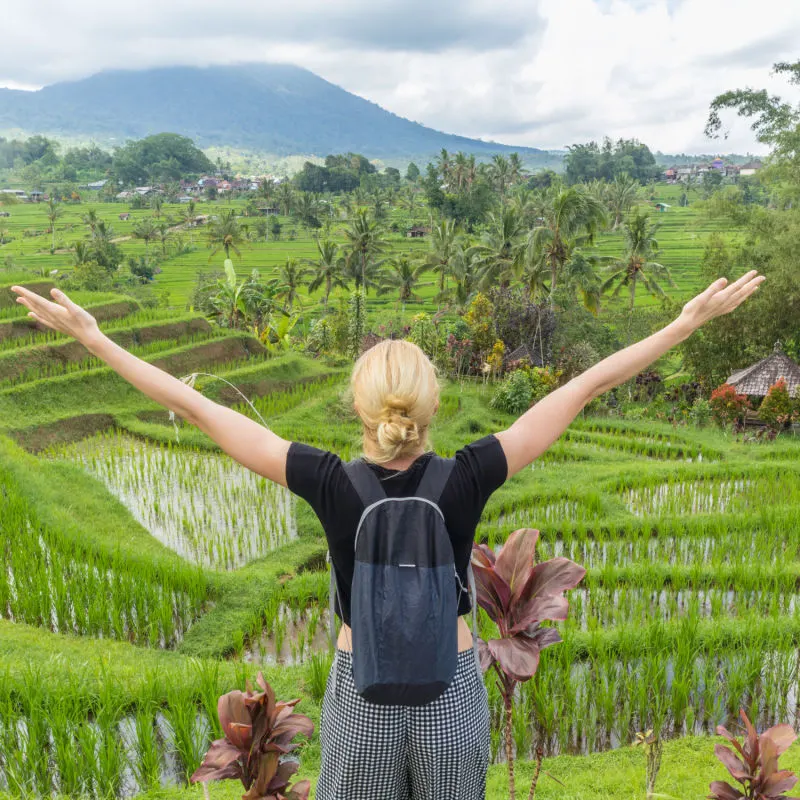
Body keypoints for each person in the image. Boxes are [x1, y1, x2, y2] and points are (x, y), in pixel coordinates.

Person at [11, 270, 764, 798]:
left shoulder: (329, 481)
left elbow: (202, 411)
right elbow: (584, 386)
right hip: (450, 692)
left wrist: (96, 340)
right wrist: (686, 322)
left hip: (361, 694)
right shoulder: (470, 474)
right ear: (433, 407)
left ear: (359, 410)